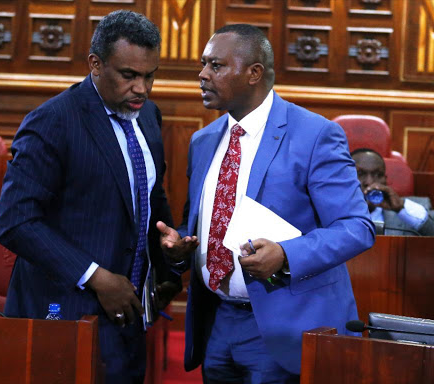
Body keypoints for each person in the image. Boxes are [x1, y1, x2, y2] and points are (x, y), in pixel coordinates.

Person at [156, 24, 375, 383]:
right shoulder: (202, 140)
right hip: (218, 320)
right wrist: (181, 246)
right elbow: (198, 222)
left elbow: (356, 227)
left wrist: (286, 255)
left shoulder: (315, 134)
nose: (202, 75)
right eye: (203, 64)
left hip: (285, 322)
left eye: (216, 65)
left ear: (254, 73)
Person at [0, 10, 180, 384]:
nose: (141, 89)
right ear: (95, 65)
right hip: (64, 309)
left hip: (129, 315)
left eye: (150, 76)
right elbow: (16, 222)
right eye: (129, 75)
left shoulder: (148, 116)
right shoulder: (53, 121)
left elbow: (150, 196)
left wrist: (167, 251)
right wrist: (95, 277)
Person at [352, 148, 434, 236]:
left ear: (385, 180)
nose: (370, 182)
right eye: (360, 174)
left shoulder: (412, 209)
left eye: (378, 175)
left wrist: (401, 208)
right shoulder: (335, 210)